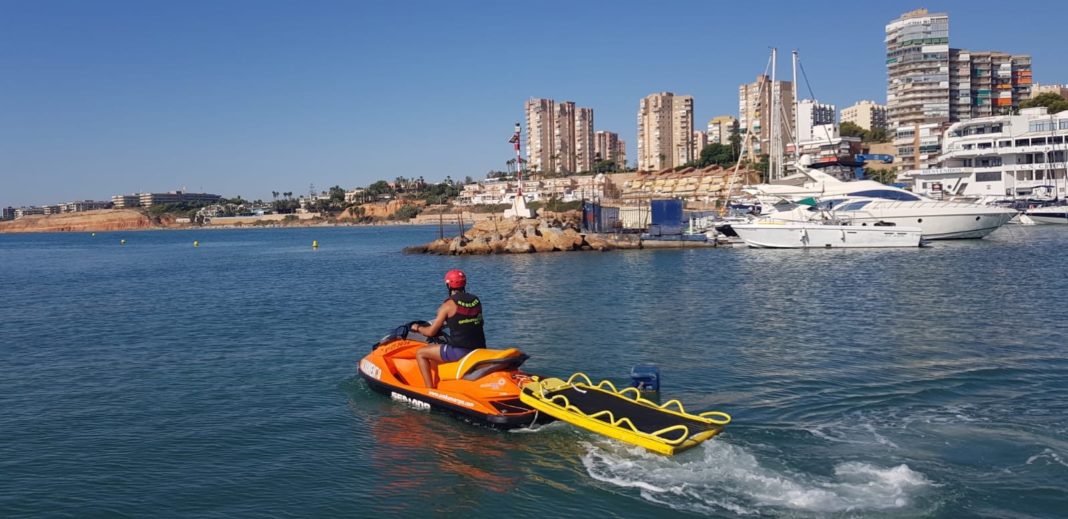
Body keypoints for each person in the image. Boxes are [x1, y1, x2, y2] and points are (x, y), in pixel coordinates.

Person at [411, 269, 486, 388]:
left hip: (461, 351)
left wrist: (418, 327)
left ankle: (429, 390)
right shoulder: (476, 300)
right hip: (479, 349)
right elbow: (478, 322)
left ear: (448, 285)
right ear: (464, 283)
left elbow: (430, 332)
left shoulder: (447, 306)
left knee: (421, 353)